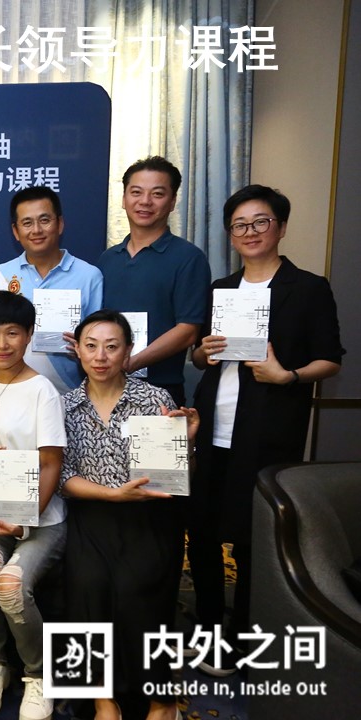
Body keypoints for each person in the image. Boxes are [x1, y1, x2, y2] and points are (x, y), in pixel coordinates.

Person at [188, 185, 344, 675]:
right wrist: (201, 352)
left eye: (261, 222)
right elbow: (201, 357)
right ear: (230, 234)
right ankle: (208, 626)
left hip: (269, 430)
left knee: (253, 536)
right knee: (203, 531)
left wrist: (287, 376)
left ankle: (243, 635)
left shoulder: (308, 288)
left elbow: (330, 360)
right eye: (240, 225)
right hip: (213, 426)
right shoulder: (222, 288)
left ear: (280, 227)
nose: (250, 232)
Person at [61, 310, 198, 720]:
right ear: (78, 351)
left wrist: (187, 444)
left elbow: (175, 476)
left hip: (148, 513)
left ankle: (161, 699)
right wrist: (110, 494)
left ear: (128, 351)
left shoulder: (154, 399)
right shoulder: (65, 406)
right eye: (91, 346)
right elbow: (63, 476)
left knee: (136, 586)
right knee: (87, 584)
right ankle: (101, 698)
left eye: (111, 346)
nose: (100, 356)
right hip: (91, 511)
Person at [0, 291, 66, 720]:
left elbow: (52, 464)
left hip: (41, 517)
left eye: (12, 333)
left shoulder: (44, 391)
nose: (1, 344)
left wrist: (25, 521)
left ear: (28, 335)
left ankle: (38, 675)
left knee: (10, 585)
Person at [97, 156, 211, 406]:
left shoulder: (189, 258)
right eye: (136, 192)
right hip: (106, 390)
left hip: (161, 392)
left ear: (172, 202)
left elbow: (188, 331)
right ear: (123, 199)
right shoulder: (108, 259)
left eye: (157, 193)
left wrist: (131, 362)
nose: (145, 201)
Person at [0, 186, 104, 393]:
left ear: (60, 224)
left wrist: (84, 347)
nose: (36, 230)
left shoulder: (89, 276)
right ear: (15, 231)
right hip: (9, 394)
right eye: (27, 223)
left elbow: (100, 340)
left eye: (44, 220)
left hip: (70, 396)